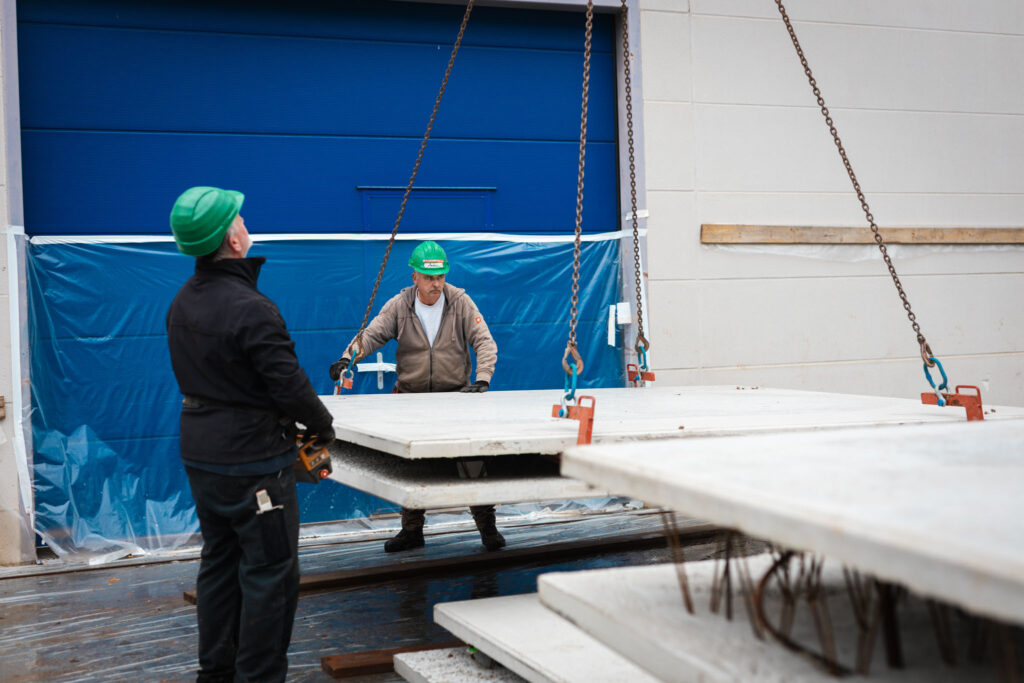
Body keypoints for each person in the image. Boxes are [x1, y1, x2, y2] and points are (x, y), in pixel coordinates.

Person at [167, 186, 336, 683]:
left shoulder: (182, 303)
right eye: (239, 218)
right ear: (233, 239)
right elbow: (288, 384)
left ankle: (215, 674)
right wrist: (322, 425)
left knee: (220, 565)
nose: (245, 222)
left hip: (203, 458)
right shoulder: (251, 307)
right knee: (269, 575)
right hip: (255, 465)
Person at [329, 240, 501, 552]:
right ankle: (411, 531)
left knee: (472, 462)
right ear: (415, 277)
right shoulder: (400, 305)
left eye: (440, 277)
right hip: (412, 400)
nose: (436, 284)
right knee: (412, 467)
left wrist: (482, 379)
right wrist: (347, 359)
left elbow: (484, 341)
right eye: (429, 277)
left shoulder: (461, 302)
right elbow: (371, 335)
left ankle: (487, 527)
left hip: (455, 397)